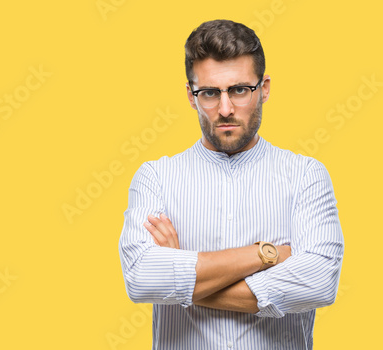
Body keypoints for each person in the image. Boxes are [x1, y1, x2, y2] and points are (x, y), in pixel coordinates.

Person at [118, 19, 344, 349]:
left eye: (239, 90)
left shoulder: (305, 175)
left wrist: (183, 272)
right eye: (210, 93)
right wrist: (267, 255)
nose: (225, 109)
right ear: (191, 96)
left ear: (264, 88)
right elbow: (141, 278)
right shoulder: (156, 178)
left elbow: (319, 283)